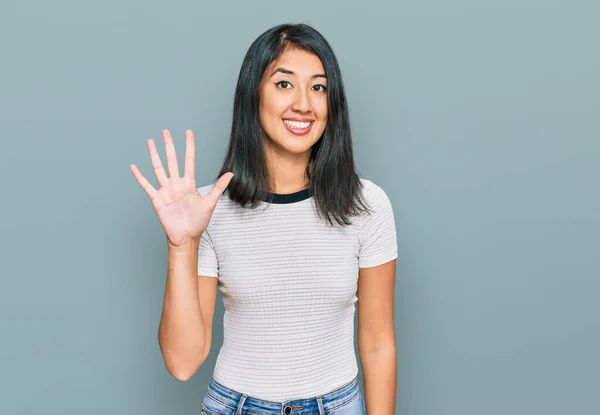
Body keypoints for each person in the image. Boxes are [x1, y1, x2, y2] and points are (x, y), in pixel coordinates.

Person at [130, 23, 398, 415]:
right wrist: (181, 245)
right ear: (253, 95)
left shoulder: (367, 205)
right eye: (284, 84)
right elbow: (182, 362)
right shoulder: (207, 209)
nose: (304, 104)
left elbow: (378, 344)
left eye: (318, 87)